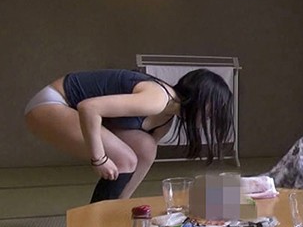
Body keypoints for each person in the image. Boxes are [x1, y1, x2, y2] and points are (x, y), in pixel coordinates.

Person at [24, 68, 234, 202]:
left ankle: (115, 210)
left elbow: (142, 160)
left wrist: (121, 203)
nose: (212, 116)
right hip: (52, 103)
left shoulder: (166, 119)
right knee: (125, 158)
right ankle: (92, 223)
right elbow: (89, 107)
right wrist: (99, 159)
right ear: (202, 98)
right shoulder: (158, 98)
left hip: (75, 112)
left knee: (146, 148)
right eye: (214, 107)